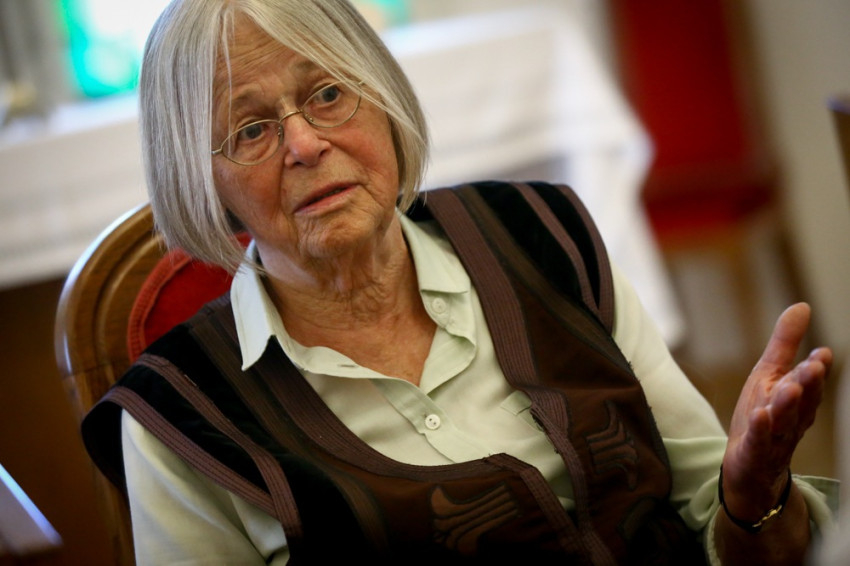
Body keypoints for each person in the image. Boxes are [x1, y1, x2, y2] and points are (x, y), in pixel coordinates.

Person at [81, 1, 837, 564]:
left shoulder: (546, 238)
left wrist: (751, 495)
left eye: (329, 93)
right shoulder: (179, 421)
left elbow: (726, 526)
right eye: (251, 130)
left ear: (382, 96)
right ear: (202, 180)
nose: (305, 144)